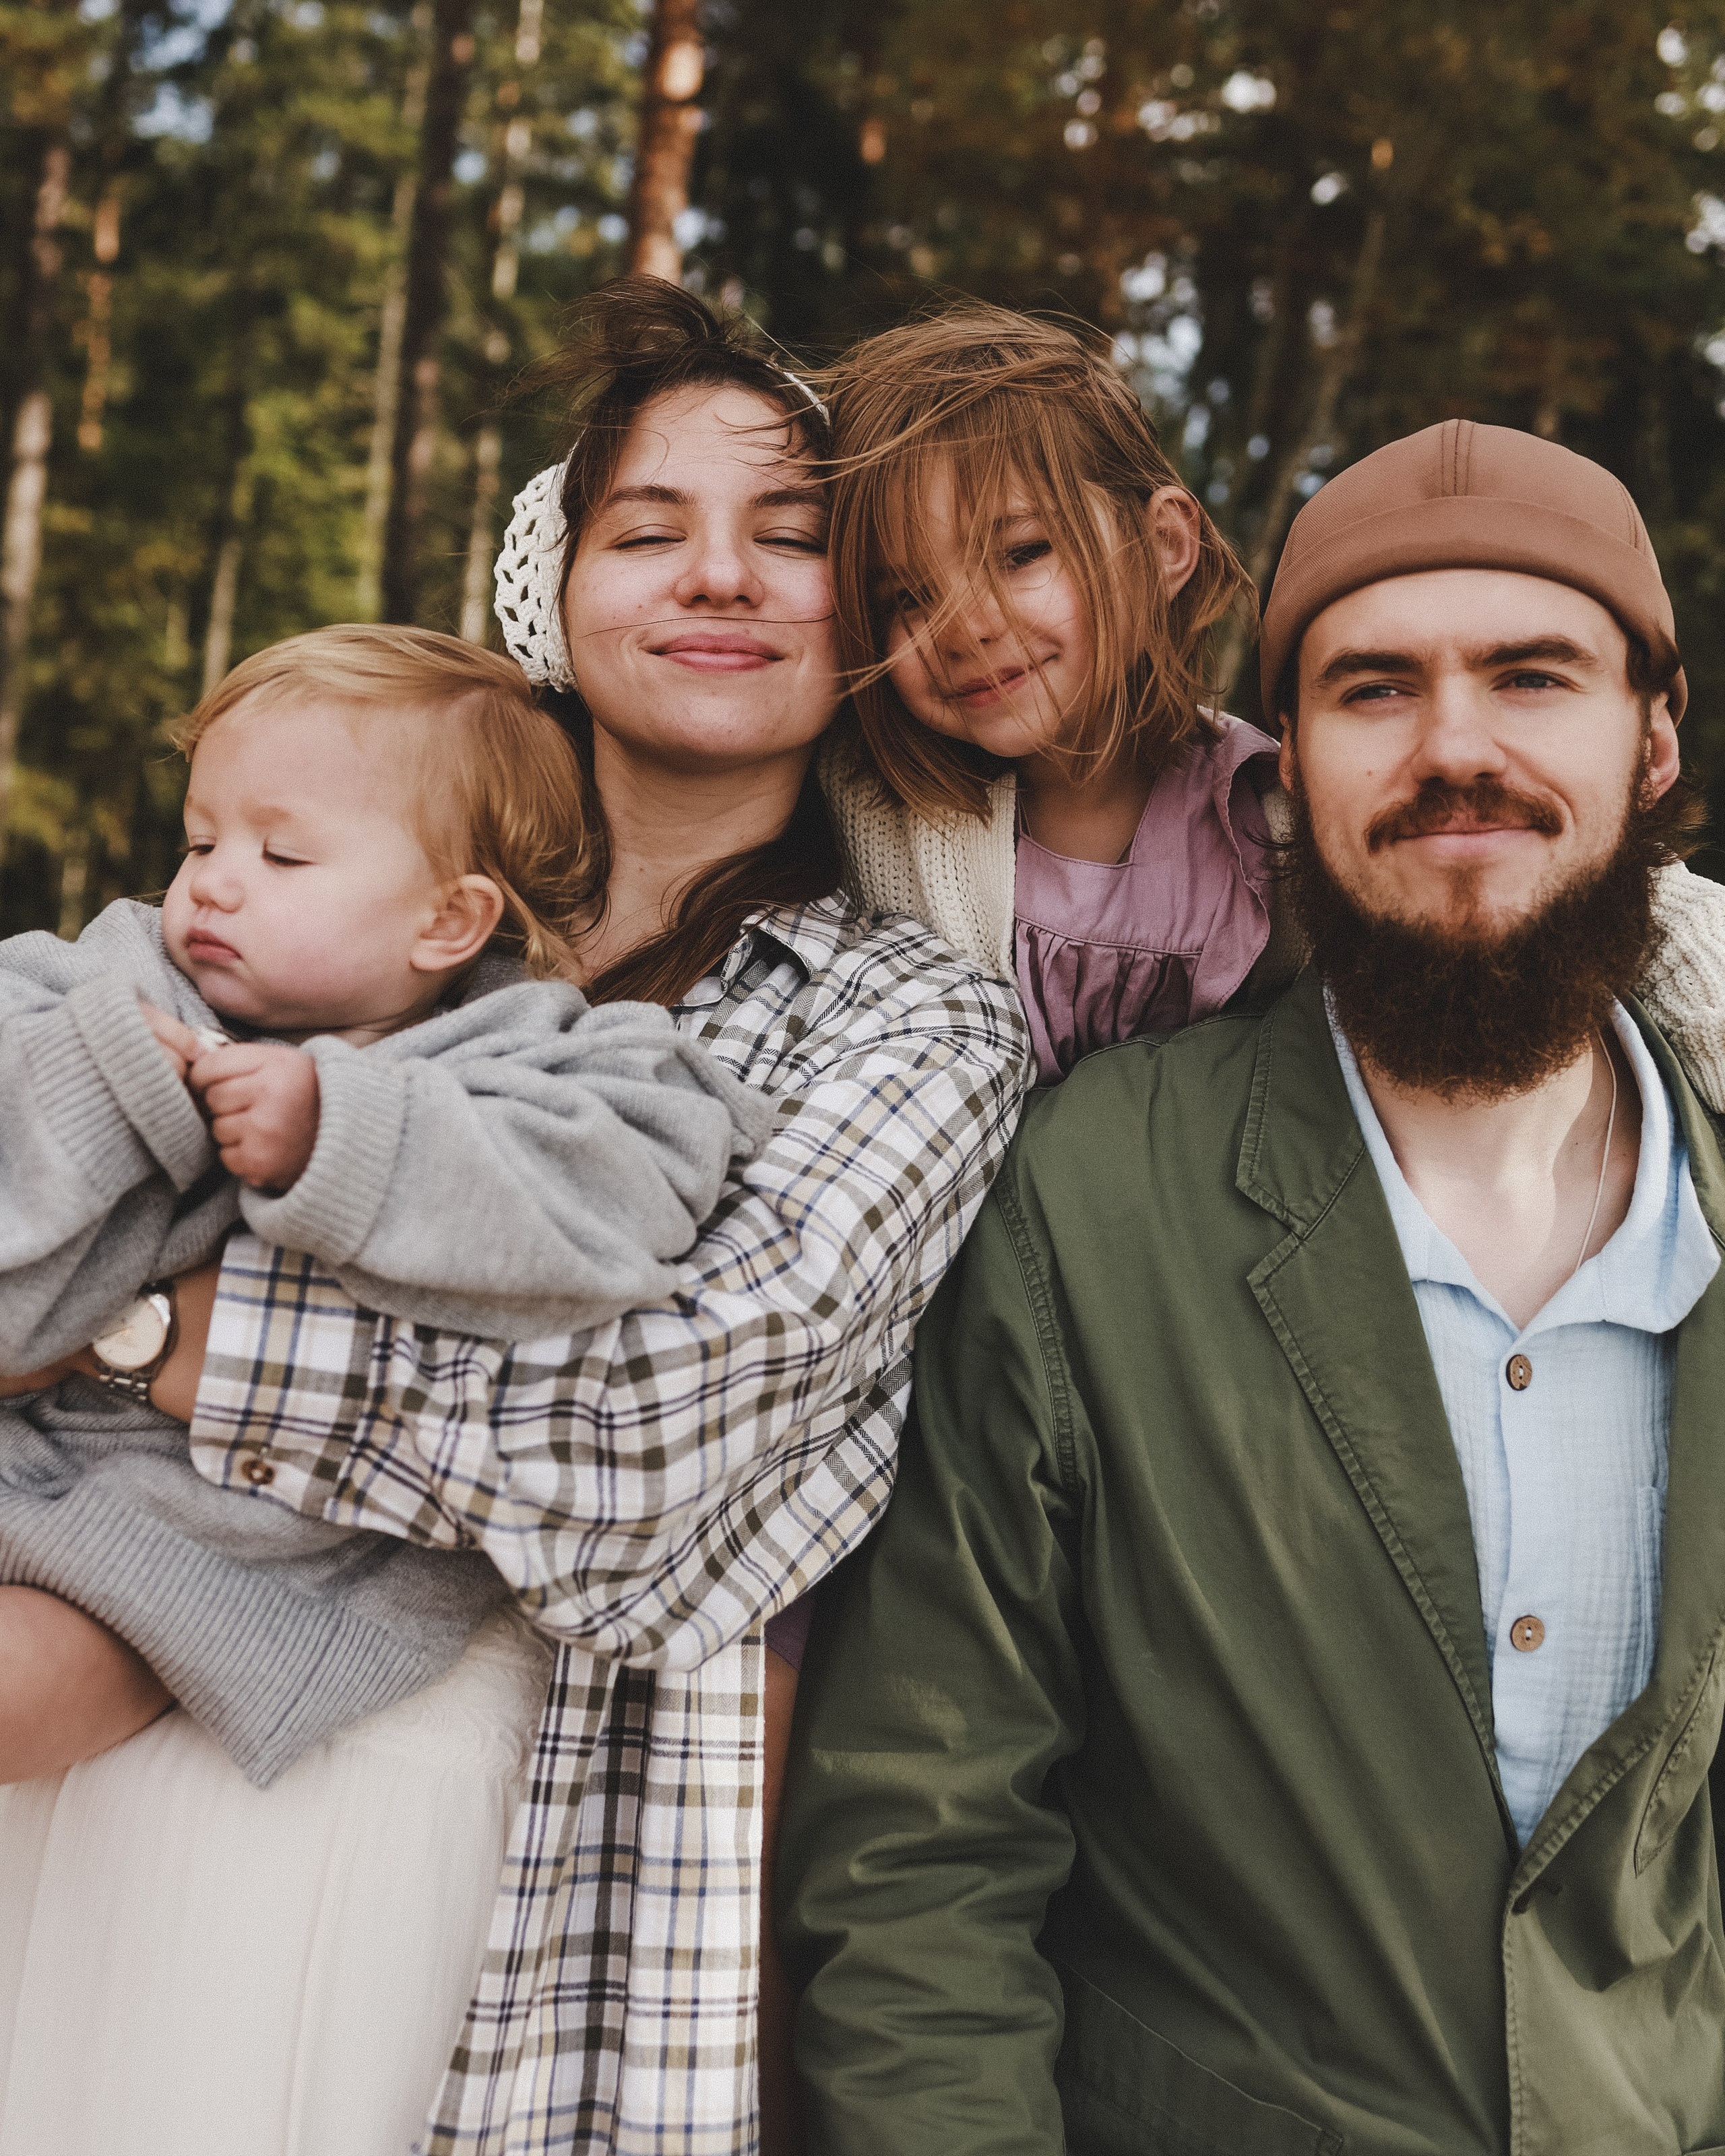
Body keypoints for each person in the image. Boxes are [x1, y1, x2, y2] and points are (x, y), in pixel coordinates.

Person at [0, 279, 1029, 2156]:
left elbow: (636, 1446)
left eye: (788, 540)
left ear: (869, 613)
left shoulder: (906, 1016)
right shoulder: (311, 892)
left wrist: (130, 1328)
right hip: (53, 1750)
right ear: (561, 582)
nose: (714, 578)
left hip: (463, 1850)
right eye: (650, 530)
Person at [782, 420, 1725, 2155]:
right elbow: (923, 1860)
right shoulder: (1083, 1190)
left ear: (1650, 738)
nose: (1453, 750)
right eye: (1373, 690)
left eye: (1529, 677)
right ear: (1280, 767)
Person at [0, 621, 768, 1789]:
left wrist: (343, 1133)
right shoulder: (119, 980)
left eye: (282, 857)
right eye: (203, 838)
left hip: (206, 1548)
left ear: (448, 921)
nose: (212, 881)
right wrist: (102, 1073)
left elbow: (632, 1182)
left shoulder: (533, 1051)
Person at [818, 303, 1295, 1085]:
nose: (964, 628)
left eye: (1020, 553)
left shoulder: (1272, 826)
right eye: (905, 597)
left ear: (1164, 546)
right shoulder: (873, 826)